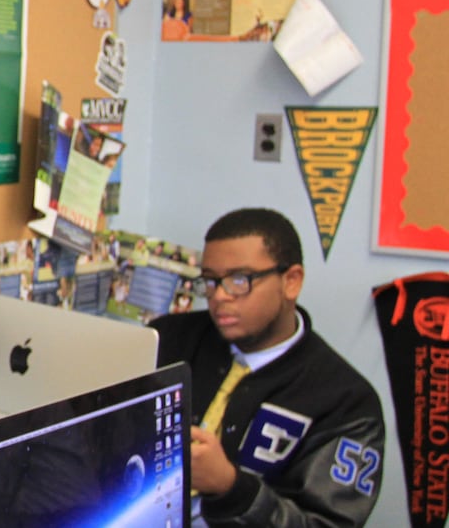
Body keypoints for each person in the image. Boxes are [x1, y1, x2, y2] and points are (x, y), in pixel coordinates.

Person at [150, 208, 384, 527]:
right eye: (210, 280)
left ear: (291, 281)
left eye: (239, 280)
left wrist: (231, 488)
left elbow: (326, 523)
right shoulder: (168, 338)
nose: (219, 297)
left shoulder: (346, 401)